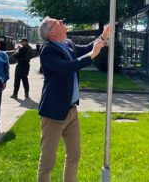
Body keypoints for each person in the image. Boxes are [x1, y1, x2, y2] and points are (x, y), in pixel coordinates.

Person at [37, 16, 109, 182]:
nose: (63, 22)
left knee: (74, 155)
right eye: (58, 22)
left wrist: (104, 36)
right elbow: (66, 68)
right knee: (48, 161)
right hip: (53, 113)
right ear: (52, 31)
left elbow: (87, 48)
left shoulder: (68, 44)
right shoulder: (48, 51)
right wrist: (92, 55)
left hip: (71, 111)